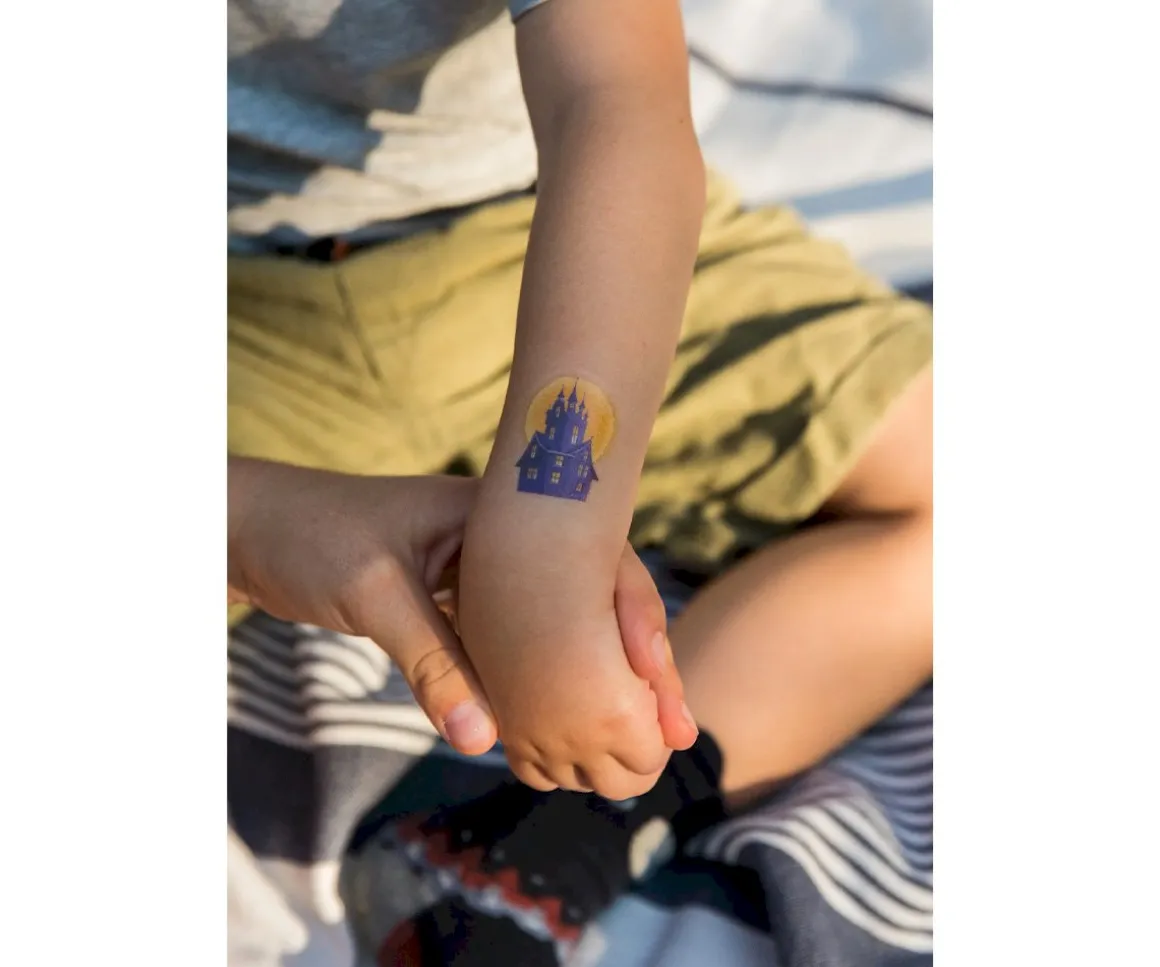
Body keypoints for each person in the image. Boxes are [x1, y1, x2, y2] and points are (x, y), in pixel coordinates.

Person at [228, 0, 932, 801]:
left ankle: (596, 824)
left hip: (559, 237)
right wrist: (249, 526)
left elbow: (619, 96)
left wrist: (552, 537)